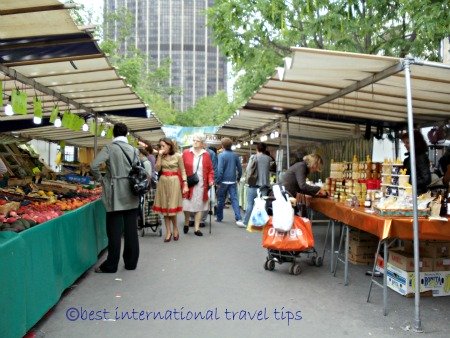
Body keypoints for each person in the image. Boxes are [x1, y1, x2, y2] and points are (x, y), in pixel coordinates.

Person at [90, 123, 150, 273]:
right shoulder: (134, 149)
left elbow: (94, 165)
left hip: (115, 191)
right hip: (132, 190)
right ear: (127, 134)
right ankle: (131, 263)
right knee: (131, 230)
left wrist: (101, 179)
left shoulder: (109, 148)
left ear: (113, 133)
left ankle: (111, 265)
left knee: (114, 231)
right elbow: (139, 168)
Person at [153, 137, 188, 242]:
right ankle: (168, 231)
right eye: (160, 146)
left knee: (171, 207)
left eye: (163, 145)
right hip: (163, 182)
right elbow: (157, 169)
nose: (162, 148)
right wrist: (159, 155)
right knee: (165, 208)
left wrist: (185, 184)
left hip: (174, 182)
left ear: (169, 145)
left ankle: (175, 229)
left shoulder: (178, 156)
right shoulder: (160, 156)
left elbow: (182, 170)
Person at [182, 134, 214, 236]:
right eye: (194, 140)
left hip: (201, 185)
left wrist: (210, 180)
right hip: (188, 183)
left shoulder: (206, 155)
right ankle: (187, 222)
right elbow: (181, 169)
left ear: (202, 144)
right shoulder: (186, 153)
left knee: (199, 206)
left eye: (197, 141)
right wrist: (183, 182)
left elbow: (210, 170)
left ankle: (197, 228)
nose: (195, 142)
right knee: (187, 205)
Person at [241, 142, 272, 228]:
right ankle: (262, 223)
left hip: (253, 184)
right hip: (264, 186)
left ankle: (246, 222)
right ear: (265, 149)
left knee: (250, 204)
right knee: (263, 205)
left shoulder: (253, 157)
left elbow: (248, 169)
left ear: (257, 149)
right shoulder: (268, 159)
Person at [216, 137, 244, 225]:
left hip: (223, 181)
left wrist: (217, 181)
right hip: (233, 181)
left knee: (221, 199)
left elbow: (220, 170)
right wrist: (239, 177)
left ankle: (219, 217)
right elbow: (239, 168)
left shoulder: (221, 155)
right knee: (234, 199)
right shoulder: (235, 155)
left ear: (222, 145)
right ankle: (238, 218)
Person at [400, 130, 431, 195]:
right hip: (410, 193)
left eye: (407, 142)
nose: (405, 145)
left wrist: (409, 182)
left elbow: (427, 179)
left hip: (418, 194)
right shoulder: (409, 158)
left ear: (415, 142)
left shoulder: (420, 157)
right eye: (404, 143)